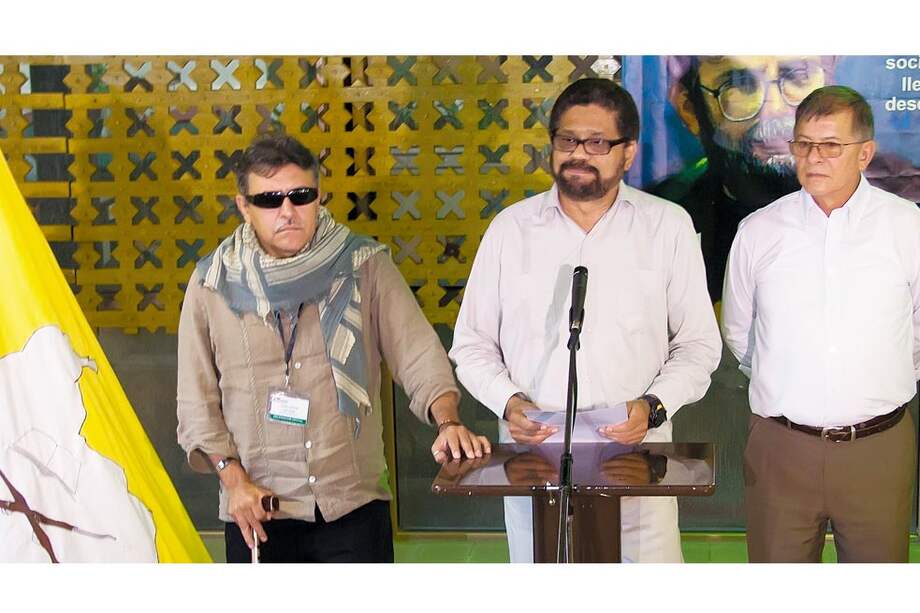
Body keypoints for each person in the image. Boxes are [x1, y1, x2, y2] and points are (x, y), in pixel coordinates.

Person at [177, 134, 490, 563]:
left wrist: (448, 420)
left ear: (319, 197)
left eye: (300, 196)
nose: (287, 211)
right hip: (258, 508)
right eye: (269, 200)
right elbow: (196, 402)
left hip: (352, 503)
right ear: (243, 206)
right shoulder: (212, 284)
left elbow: (417, 354)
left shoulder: (364, 265)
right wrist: (232, 481)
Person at [449, 78, 722, 562]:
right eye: (567, 140)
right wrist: (508, 403)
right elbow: (470, 343)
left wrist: (655, 408)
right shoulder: (510, 231)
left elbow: (698, 345)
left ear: (628, 152)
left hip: (636, 462)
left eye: (598, 142)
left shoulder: (667, 226)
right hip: (534, 461)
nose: (579, 153)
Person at [721, 86, 920, 562]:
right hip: (781, 447)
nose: (814, 158)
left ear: (865, 153)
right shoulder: (759, 232)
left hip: (878, 447)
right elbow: (739, 333)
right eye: (803, 144)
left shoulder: (907, 227)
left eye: (831, 145)